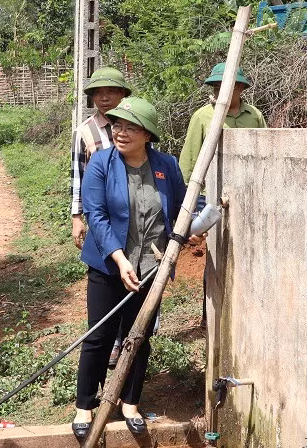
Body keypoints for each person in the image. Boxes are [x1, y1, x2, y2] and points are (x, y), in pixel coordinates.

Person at [72, 97, 204, 439]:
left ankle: (129, 402)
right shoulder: (101, 163)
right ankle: (85, 405)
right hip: (108, 266)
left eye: (131, 128)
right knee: (99, 337)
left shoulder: (166, 166)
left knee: (138, 336)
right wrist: (119, 258)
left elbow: (179, 207)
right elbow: (96, 216)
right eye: (117, 126)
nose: (121, 132)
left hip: (150, 269)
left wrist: (190, 229)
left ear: (148, 134)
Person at [179, 62, 266, 326]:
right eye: (216, 87)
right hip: (212, 196)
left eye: (226, 86)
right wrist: (188, 204)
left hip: (248, 195)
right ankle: (212, 317)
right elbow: (189, 161)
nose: (219, 92)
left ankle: (245, 312)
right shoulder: (203, 117)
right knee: (216, 256)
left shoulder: (255, 116)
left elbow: (265, 155)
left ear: (239, 88)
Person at [69, 67, 132, 369]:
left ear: (123, 94)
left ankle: (124, 338)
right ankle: (107, 338)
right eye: (98, 92)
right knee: (106, 272)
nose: (104, 97)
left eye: (111, 91)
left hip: (131, 216)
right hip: (100, 216)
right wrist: (76, 216)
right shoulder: (85, 132)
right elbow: (78, 176)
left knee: (130, 273)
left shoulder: (136, 124)